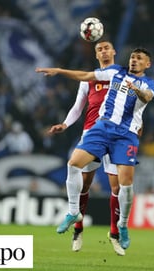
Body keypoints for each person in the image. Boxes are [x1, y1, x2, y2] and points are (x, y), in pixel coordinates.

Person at [36, 47, 154, 252]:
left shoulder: (149, 83)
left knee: (124, 185)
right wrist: (59, 70)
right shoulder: (115, 72)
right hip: (101, 128)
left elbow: (147, 97)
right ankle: (74, 213)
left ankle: (122, 225)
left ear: (148, 64)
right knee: (73, 164)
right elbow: (85, 76)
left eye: (139, 59)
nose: (134, 60)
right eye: (133, 57)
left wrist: (135, 89)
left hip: (125, 135)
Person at [46, 40, 124, 255]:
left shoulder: (121, 76)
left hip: (116, 133)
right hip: (92, 132)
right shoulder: (88, 80)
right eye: (99, 49)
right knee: (85, 183)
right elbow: (78, 106)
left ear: (114, 51)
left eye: (107, 47)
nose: (104, 51)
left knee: (117, 187)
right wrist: (65, 123)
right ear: (96, 55)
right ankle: (78, 229)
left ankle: (114, 233)